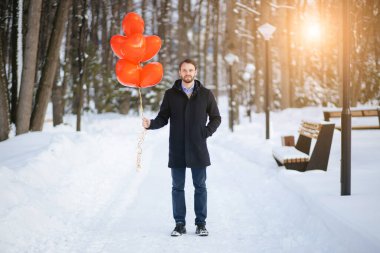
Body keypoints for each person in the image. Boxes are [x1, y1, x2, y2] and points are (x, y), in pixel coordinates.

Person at [142, 59, 221, 237]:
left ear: (195, 72)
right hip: (177, 147)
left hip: (198, 147)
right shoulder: (170, 94)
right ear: (179, 72)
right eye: (184, 70)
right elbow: (163, 118)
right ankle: (179, 224)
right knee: (177, 187)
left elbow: (216, 117)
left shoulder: (206, 94)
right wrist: (150, 124)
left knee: (200, 186)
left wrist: (205, 132)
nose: (187, 73)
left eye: (190, 70)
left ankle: (201, 224)